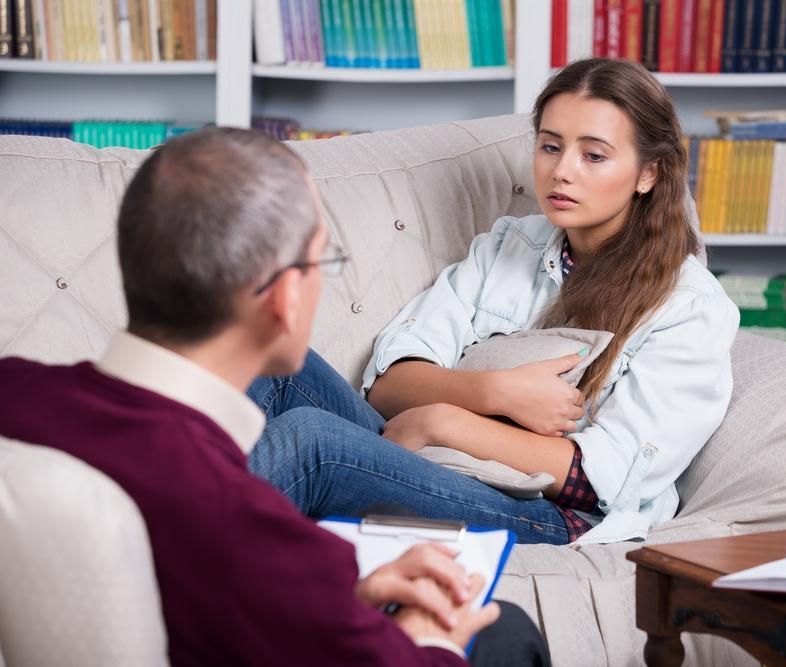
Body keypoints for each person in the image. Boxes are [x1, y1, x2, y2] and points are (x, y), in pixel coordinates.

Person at [0, 128, 549, 666]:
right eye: (321, 262)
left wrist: (339, 607)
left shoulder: (14, 392)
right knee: (505, 633)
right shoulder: (256, 537)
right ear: (285, 297)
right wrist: (430, 643)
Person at [247, 57, 740, 547]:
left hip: (549, 511)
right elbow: (388, 384)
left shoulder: (689, 307)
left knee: (312, 441)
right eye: (550, 146)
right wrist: (496, 393)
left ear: (647, 175)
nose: (561, 172)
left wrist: (444, 419)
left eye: (594, 155)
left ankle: (176, 565)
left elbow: (603, 478)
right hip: (428, 456)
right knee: (264, 351)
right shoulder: (510, 244)